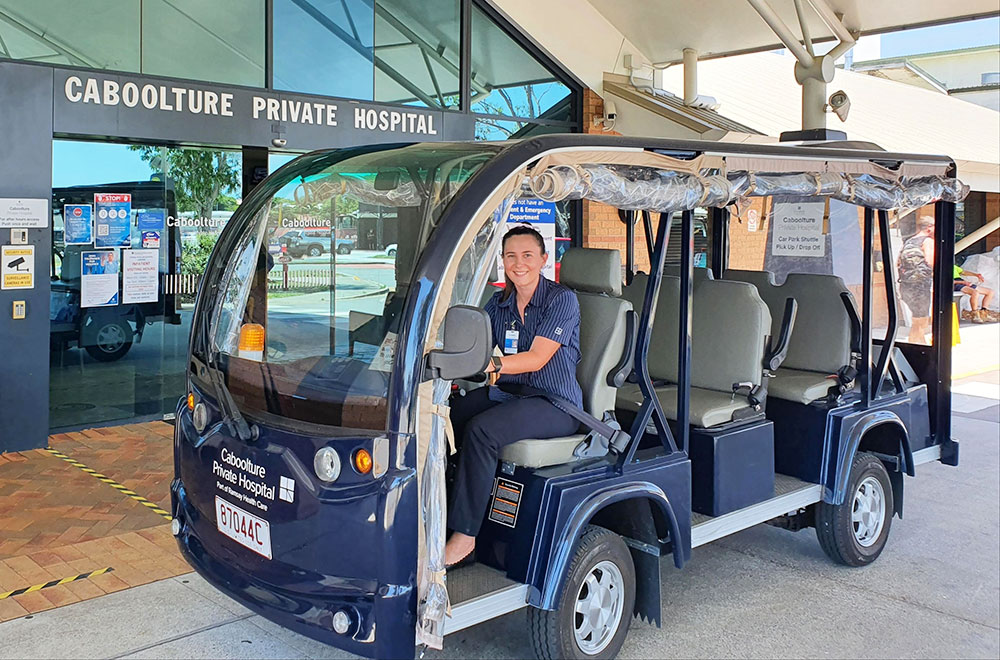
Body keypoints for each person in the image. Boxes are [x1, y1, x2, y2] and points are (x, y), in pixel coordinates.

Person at [444, 226, 583, 567]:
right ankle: (435, 512)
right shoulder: (499, 303)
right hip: (509, 394)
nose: (518, 263)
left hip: (555, 403)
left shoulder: (561, 300)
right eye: (511, 256)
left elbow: (537, 358)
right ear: (502, 261)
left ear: (543, 259)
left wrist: (491, 365)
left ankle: (465, 538)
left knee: (482, 431)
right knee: (445, 417)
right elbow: (472, 343)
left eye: (527, 255)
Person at [897, 215, 935, 343]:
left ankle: (919, 341)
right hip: (921, 284)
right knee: (922, 318)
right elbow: (930, 261)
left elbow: (898, 263)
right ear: (929, 227)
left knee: (916, 316)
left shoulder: (909, 242)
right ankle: (916, 343)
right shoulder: (927, 241)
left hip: (906, 284)